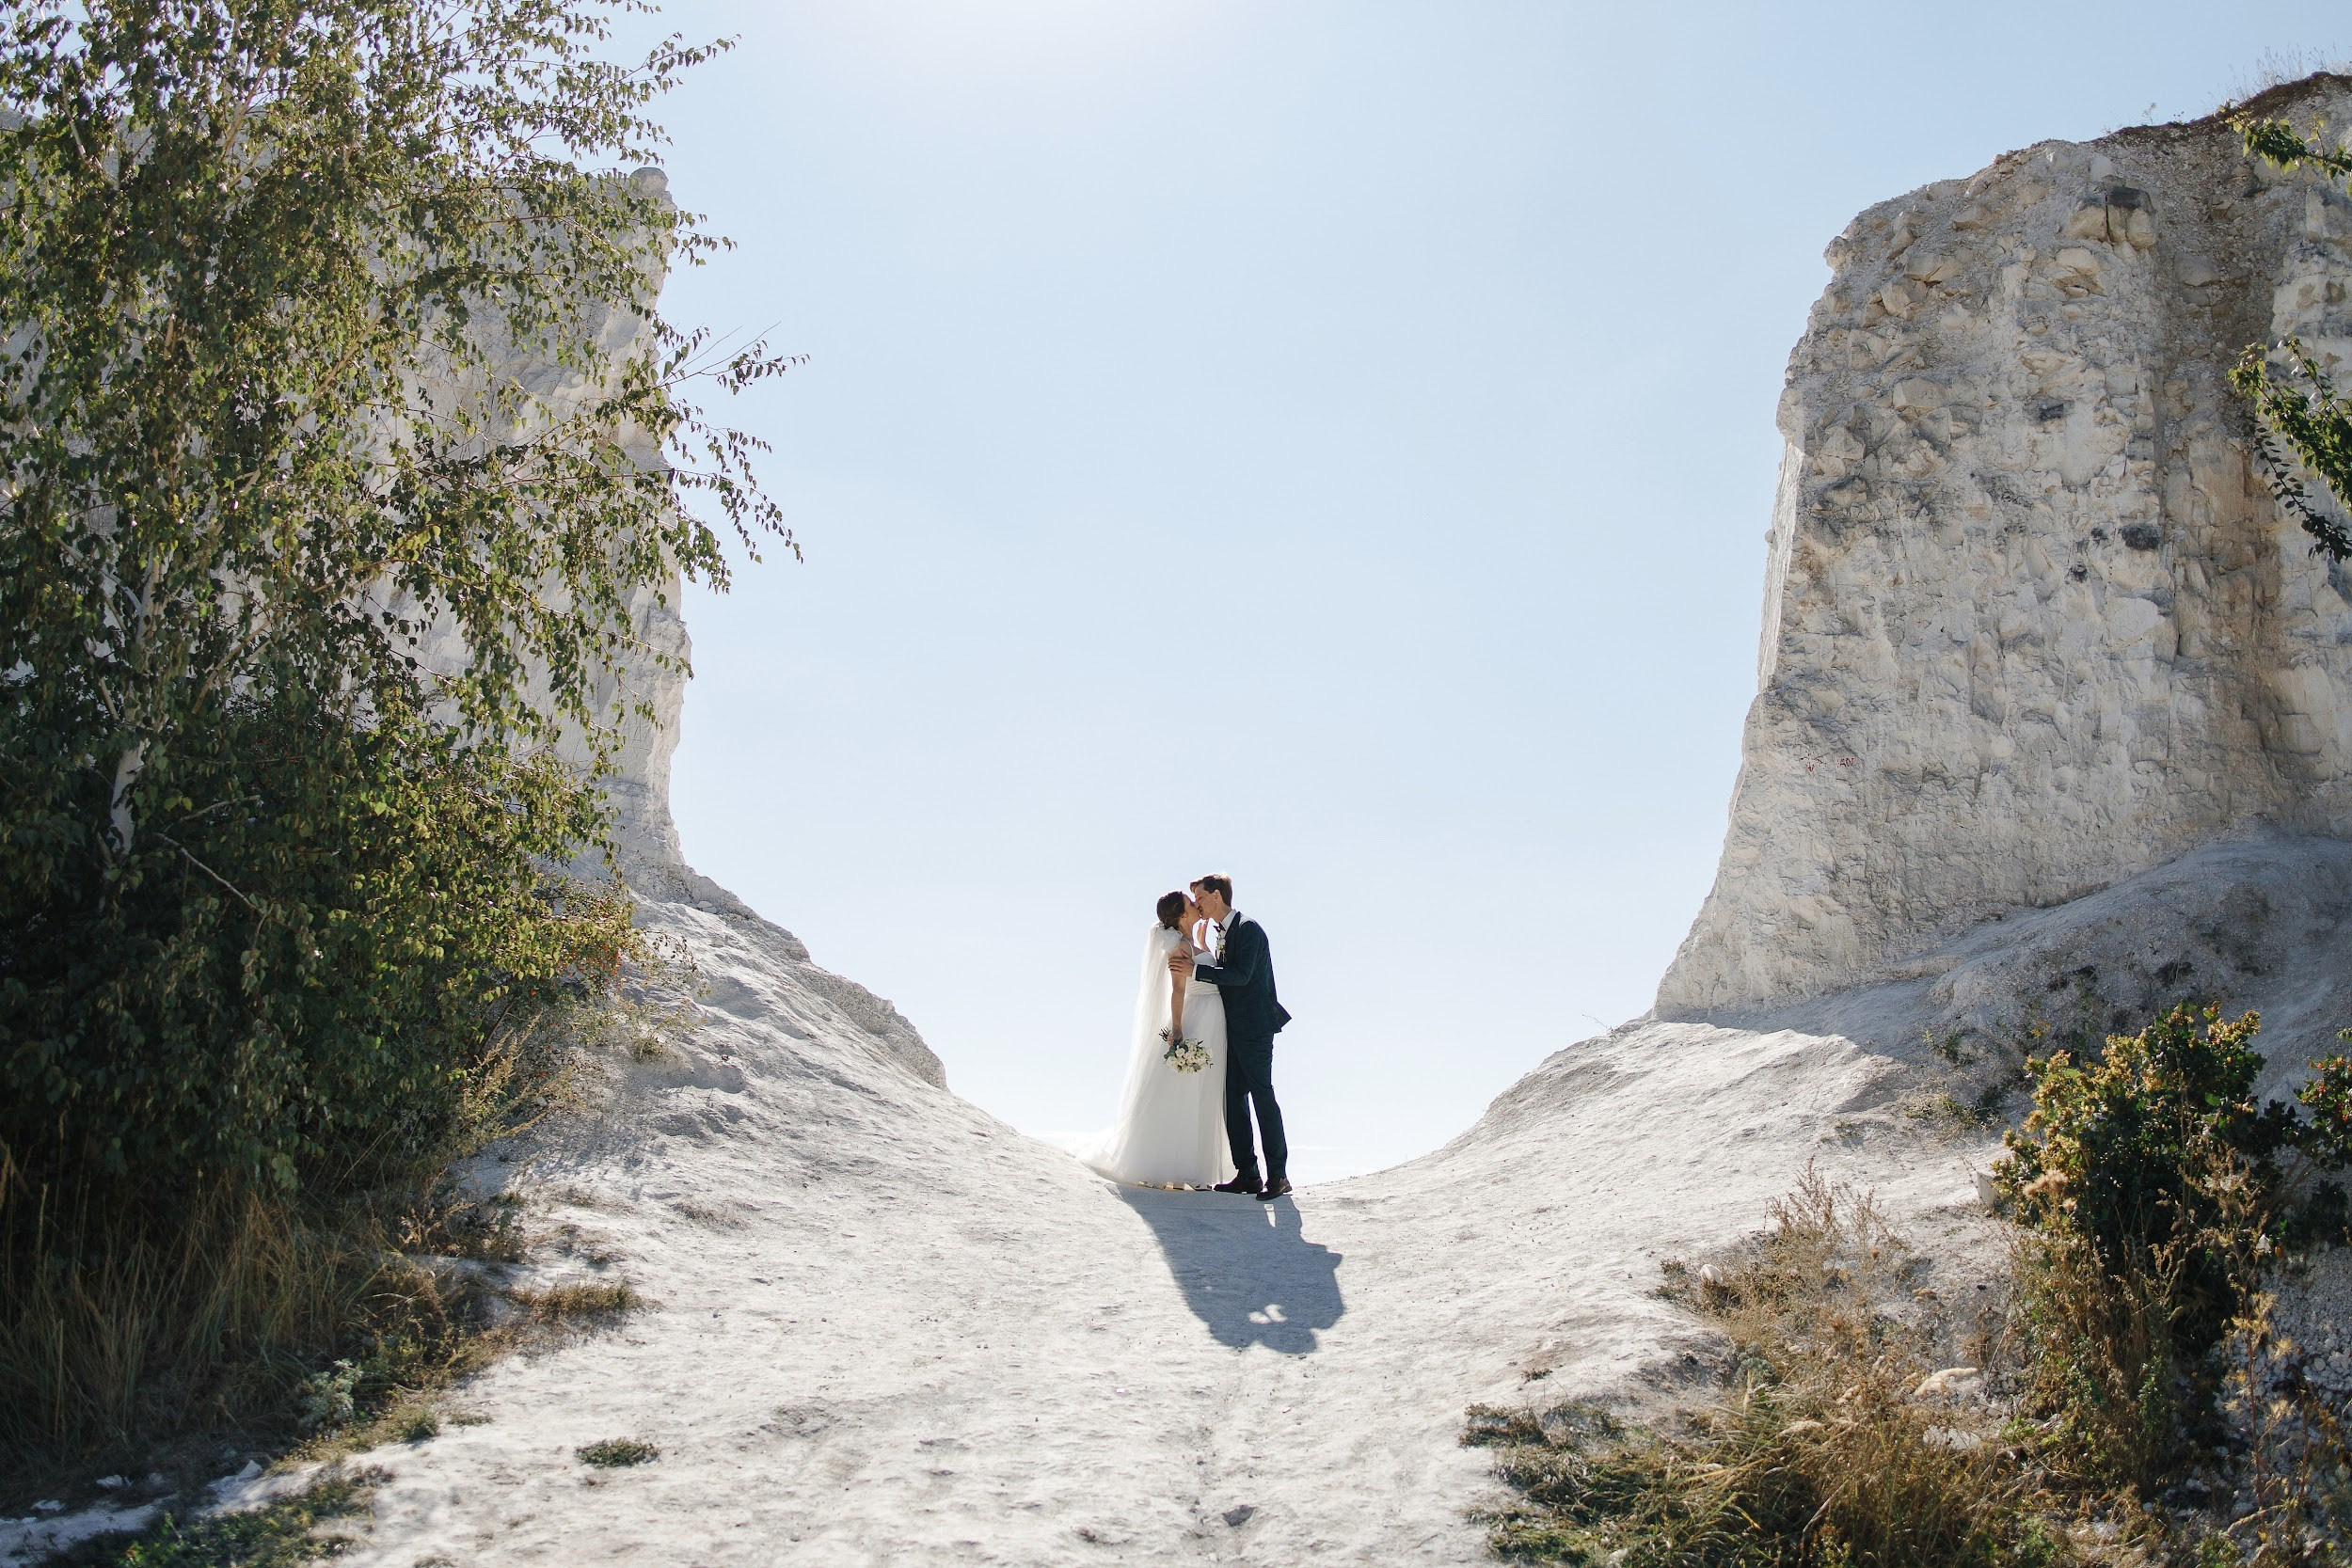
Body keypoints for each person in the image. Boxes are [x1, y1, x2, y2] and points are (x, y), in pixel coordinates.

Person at [1077, 891, 1235, 1188]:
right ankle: (1171, 1168)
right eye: (1190, 903)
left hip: (1212, 1019)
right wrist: (1177, 1029)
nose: (1195, 904)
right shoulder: (1178, 947)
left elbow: (1201, 965)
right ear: (1182, 915)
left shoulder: (1189, 941)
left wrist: (1204, 939)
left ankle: (1193, 1169)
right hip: (1197, 1018)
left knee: (1204, 1091)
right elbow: (1178, 990)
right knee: (1185, 1091)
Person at [1170, 874, 1293, 1200]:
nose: (1196, 903)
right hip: (1232, 1030)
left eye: (1199, 897)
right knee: (1233, 1099)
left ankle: (1278, 1176)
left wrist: (1195, 971)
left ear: (1217, 895)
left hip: (1255, 1029)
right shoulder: (1221, 932)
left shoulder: (1249, 929)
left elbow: (1241, 976)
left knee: (1262, 1096)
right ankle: (1248, 1174)